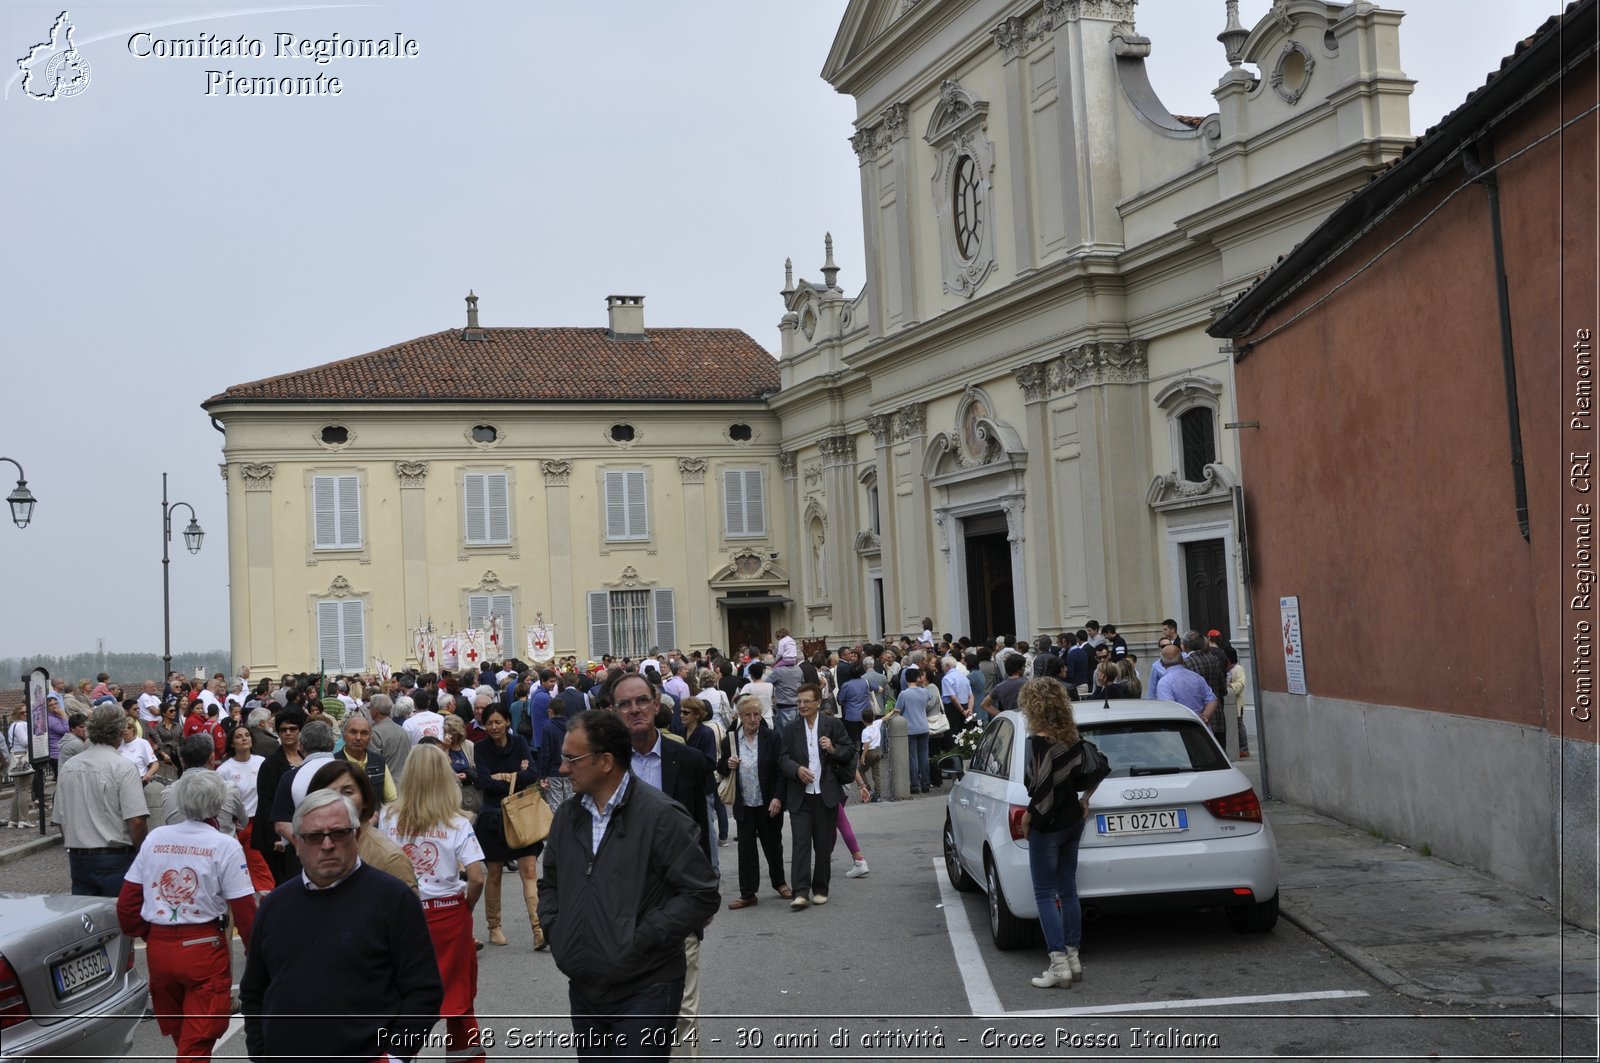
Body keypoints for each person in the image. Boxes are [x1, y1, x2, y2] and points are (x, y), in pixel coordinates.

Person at [539, 709, 720, 1059]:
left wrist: (641, 939)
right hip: (586, 986)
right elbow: (551, 885)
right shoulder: (567, 816)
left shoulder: (660, 815)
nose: (563, 768)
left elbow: (701, 892)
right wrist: (557, 930)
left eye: (571, 759)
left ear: (605, 761)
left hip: (647, 985)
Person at [240, 788, 442, 1062]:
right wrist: (261, 1052)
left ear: (356, 835)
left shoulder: (393, 899)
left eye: (339, 833)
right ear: (297, 843)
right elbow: (254, 991)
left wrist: (394, 1056)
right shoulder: (275, 905)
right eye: (313, 837)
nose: (327, 845)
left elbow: (424, 990)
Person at [117, 770, 257, 1063]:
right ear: (219, 804)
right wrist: (258, 956)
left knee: (185, 1035)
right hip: (203, 948)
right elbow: (245, 913)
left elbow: (128, 907)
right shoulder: (224, 845)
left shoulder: (156, 838)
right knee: (197, 1039)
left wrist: (153, 935)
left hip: (159, 948)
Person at [379, 745, 487, 1060]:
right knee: (459, 999)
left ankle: (398, 1057)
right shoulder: (457, 822)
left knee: (403, 995)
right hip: (449, 914)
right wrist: (464, 908)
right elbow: (477, 877)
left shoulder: (388, 817)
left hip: (405, 914)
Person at [1018, 677, 1110, 989]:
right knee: (1068, 889)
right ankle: (1073, 958)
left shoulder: (1037, 743)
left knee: (1045, 894)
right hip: (1073, 820)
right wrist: (1086, 799)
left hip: (1049, 826)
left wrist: (1029, 816)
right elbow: (1100, 767)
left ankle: (1058, 965)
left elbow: (1039, 791)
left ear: (1033, 707)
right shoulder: (1072, 738)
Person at [53, 704, 149, 895]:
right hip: (115, 857)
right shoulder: (123, 767)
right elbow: (137, 820)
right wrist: (142, 852)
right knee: (119, 917)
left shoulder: (69, 766)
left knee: (86, 917)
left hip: (79, 857)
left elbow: (60, 819)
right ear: (120, 732)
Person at [473, 702, 544, 949]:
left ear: (507, 722)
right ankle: (494, 927)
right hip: (493, 819)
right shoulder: (481, 748)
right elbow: (483, 782)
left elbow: (532, 774)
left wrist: (502, 777)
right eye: (489, 722)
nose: (493, 727)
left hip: (522, 815)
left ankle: (538, 929)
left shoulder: (521, 743)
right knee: (493, 874)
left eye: (498, 722)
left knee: (530, 871)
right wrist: (515, 775)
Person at [779, 682, 855, 909]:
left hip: (826, 793)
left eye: (806, 701)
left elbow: (849, 750)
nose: (801, 705)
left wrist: (833, 749)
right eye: (799, 701)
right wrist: (796, 769)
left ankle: (820, 888)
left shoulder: (832, 724)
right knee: (801, 843)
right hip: (800, 796)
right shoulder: (791, 729)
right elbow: (782, 758)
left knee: (822, 845)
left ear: (818, 703)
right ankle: (800, 892)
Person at [718, 695, 790, 910]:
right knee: (746, 850)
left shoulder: (772, 737)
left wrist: (778, 797)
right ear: (739, 716)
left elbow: (780, 771)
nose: (752, 719)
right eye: (748, 715)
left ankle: (780, 883)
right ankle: (748, 893)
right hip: (745, 804)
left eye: (756, 714)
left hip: (768, 802)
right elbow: (720, 768)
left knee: (773, 845)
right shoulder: (730, 739)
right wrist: (728, 764)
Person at [305, 758, 417, 893]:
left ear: (365, 800)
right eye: (329, 793)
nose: (338, 800)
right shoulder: (309, 844)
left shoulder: (389, 859)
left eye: (347, 792)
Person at [215, 725, 275, 896]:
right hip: (237, 825)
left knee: (257, 863)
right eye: (239, 736)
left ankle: (267, 896)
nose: (244, 739)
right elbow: (220, 801)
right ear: (232, 743)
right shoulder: (224, 770)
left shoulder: (261, 762)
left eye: (247, 735)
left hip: (260, 822)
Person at [251, 708, 305, 885]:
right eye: (283, 730)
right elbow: (266, 802)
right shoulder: (270, 764)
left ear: (300, 731)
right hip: (280, 837)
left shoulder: (307, 759)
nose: (288, 733)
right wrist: (276, 837)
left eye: (292, 728)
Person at [895, 667, 934, 794]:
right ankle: (926, 783)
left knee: (912, 757)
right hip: (923, 726)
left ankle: (914, 785)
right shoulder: (924, 692)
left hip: (910, 728)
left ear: (906, 679)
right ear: (918, 678)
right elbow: (927, 700)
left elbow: (898, 710)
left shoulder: (904, 694)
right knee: (923, 756)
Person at [5, 706, 36, 827]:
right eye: (23, 712)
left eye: (27, 711)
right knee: (24, 789)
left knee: (18, 789)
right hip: (23, 756)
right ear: (18, 714)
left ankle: (13, 819)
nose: (26, 714)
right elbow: (25, 742)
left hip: (16, 756)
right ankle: (23, 818)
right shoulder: (21, 725)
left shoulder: (13, 726)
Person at [118, 717, 160, 785]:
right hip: (121, 782)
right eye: (123, 728)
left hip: (138, 782)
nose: (126, 731)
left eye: (129, 728)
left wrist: (147, 776)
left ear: (134, 729)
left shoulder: (142, 743)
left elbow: (155, 764)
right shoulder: (118, 744)